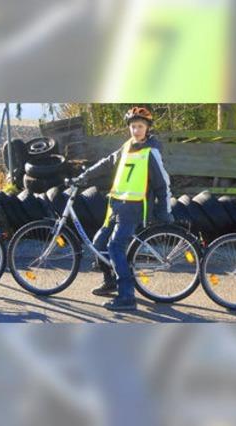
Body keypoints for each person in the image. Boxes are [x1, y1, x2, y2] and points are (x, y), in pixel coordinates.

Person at [72, 106, 173, 311]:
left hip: (134, 207)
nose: (136, 130)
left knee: (115, 247)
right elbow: (107, 162)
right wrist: (85, 175)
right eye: (133, 126)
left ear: (147, 128)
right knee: (99, 243)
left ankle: (127, 297)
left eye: (140, 126)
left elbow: (163, 183)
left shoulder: (150, 152)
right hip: (116, 204)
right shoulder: (127, 146)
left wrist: (164, 210)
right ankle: (110, 281)